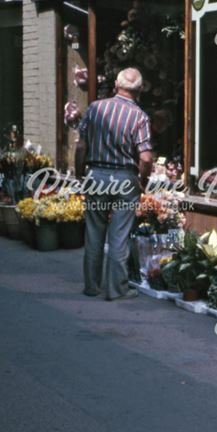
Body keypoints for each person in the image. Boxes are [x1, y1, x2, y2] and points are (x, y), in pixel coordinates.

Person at [75, 67, 153, 301]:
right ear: (138, 91)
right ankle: (116, 289)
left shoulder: (95, 108)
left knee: (94, 232)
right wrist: (142, 180)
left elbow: (80, 146)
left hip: (96, 175)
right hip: (124, 178)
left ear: (116, 85)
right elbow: (146, 157)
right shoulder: (139, 116)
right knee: (119, 236)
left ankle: (91, 286)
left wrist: (80, 174)